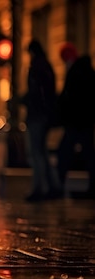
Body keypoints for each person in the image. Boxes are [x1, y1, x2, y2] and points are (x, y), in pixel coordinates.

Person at [21, 40, 63, 201]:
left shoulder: (36, 68)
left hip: (37, 116)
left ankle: (39, 187)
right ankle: (53, 185)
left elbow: (36, 93)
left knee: (36, 152)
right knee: (42, 152)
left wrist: (24, 100)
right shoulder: (46, 66)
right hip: (45, 115)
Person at [56, 43, 95, 198]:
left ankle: (59, 186)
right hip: (84, 121)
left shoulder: (76, 72)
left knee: (65, 153)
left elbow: (70, 98)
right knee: (87, 154)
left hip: (76, 122)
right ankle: (91, 186)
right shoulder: (86, 71)